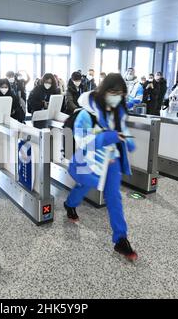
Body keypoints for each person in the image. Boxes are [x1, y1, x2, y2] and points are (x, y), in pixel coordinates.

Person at [63, 73, 138, 261]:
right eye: (113, 92)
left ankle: (120, 239)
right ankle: (70, 204)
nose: (116, 97)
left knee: (114, 197)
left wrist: (127, 141)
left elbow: (122, 129)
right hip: (87, 161)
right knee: (84, 185)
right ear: (104, 91)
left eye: (120, 94)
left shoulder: (117, 110)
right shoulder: (85, 113)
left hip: (111, 161)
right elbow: (83, 140)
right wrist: (112, 137)